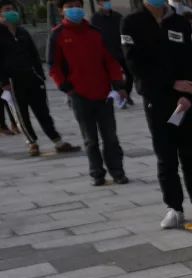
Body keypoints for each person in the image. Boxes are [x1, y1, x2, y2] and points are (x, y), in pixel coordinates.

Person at [122, 0, 192, 229]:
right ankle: (174, 208)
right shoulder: (132, 23)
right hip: (157, 100)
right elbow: (135, 64)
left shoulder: (181, 22)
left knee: (191, 156)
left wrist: (191, 97)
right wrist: (171, 84)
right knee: (166, 156)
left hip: (185, 101)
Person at [49, 0, 128, 186]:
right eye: (69, 6)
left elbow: (110, 61)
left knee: (111, 137)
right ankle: (97, 173)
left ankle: (118, 172)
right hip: (79, 95)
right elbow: (54, 66)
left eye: (77, 5)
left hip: (103, 93)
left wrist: (118, 84)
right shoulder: (57, 35)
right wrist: (67, 87)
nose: (74, 9)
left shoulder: (95, 32)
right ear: (61, 11)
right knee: (90, 139)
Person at [0, 1, 79, 156]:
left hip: (33, 77)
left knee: (43, 111)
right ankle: (32, 142)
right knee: (21, 114)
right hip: (12, 81)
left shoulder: (22, 32)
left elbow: (34, 54)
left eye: (13, 9)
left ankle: (57, 141)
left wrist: (40, 75)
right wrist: (3, 81)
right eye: (7, 10)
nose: (12, 12)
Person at [90, 0, 135, 106]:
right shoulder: (95, 18)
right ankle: (120, 98)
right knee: (113, 78)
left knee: (130, 74)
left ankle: (126, 94)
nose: (107, 3)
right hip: (106, 53)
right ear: (99, 3)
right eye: (103, 1)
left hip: (120, 51)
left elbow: (125, 32)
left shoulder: (117, 16)